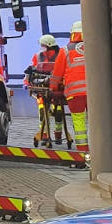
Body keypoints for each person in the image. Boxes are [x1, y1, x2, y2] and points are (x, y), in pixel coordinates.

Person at [51, 21, 87, 152]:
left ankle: (83, 152)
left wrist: (53, 88)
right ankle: (101, 153)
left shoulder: (65, 50)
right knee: (98, 121)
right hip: (95, 93)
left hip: (74, 95)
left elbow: (57, 74)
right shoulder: (94, 46)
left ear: (72, 34)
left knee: (79, 122)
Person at [25, 35, 67, 147]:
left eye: (43, 45)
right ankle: (44, 135)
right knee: (42, 110)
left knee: (58, 111)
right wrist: (27, 82)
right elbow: (31, 70)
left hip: (56, 87)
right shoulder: (38, 56)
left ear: (48, 46)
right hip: (42, 87)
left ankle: (58, 135)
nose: (41, 47)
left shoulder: (60, 55)